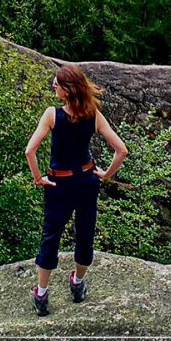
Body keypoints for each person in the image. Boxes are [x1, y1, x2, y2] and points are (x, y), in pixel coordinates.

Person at [24, 64, 128, 315]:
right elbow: (121, 150)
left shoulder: (52, 115)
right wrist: (105, 174)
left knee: (51, 234)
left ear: (68, 89)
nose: (53, 85)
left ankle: (41, 293)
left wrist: (38, 178)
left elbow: (29, 151)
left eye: (57, 83)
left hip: (58, 183)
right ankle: (78, 282)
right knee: (85, 232)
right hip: (85, 180)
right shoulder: (93, 115)